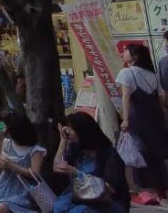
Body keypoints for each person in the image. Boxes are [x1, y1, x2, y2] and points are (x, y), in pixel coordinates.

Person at [52, 112, 129, 213]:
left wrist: (77, 173)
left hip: (104, 201)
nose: (68, 132)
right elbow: (57, 167)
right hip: (79, 197)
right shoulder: (76, 149)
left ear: (83, 132)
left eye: (71, 129)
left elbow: (112, 189)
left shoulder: (109, 154)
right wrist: (63, 141)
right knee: (58, 207)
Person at [117, 43, 167, 198]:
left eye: (126, 51)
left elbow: (125, 96)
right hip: (155, 118)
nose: (122, 54)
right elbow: (162, 99)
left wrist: (125, 120)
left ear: (135, 56)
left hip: (137, 119)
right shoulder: (152, 74)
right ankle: (161, 186)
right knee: (156, 153)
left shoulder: (126, 73)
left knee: (139, 154)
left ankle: (145, 190)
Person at [0, 112, 46, 213]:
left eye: (9, 130)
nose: (6, 132)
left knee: (1, 207)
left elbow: (35, 174)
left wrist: (12, 166)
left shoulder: (35, 150)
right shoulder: (7, 143)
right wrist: (0, 162)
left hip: (24, 190)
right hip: (4, 184)